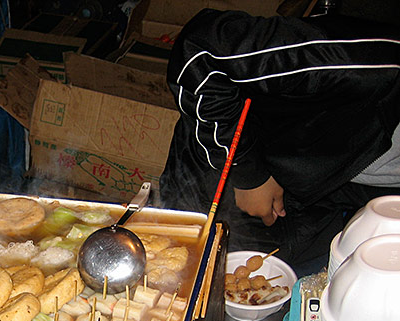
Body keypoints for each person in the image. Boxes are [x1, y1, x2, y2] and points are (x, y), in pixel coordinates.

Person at [160, 8, 400, 271]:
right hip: (225, 163)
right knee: (180, 272)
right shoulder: (370, 65)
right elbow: (199, 50)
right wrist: (249, 174)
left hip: (314, 204)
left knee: (269, 293)